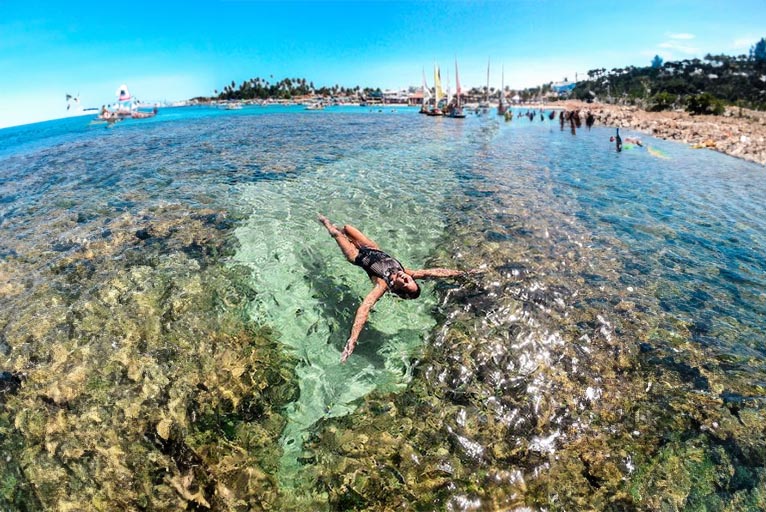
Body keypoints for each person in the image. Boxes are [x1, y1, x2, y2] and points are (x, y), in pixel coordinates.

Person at [318, 214, 472, 362]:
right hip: (371, 247)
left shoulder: (382, 284)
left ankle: (324, 221)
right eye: (410, 281)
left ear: (397, 289)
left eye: (405, 284)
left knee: (335, 233)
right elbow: (432, 272)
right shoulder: (406, 273)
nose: (406, 279)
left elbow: (364, 308)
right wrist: (463, 273)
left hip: (356, 256)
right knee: (347, 228)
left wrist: (352, 340)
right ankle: (339, 230)